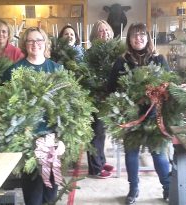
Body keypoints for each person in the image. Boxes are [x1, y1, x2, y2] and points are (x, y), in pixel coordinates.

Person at [107, 23, 171, 204]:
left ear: (148, 37)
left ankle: (167, 187)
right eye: (134, 35)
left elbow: (169, 85)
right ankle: (133, 188)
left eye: (142, 34)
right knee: (131, 153)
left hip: (154, 115)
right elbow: (111, 87)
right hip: (131, 116)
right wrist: (127, 99)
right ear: (129, 39)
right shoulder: (122, 61)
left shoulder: (159, 59)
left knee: (158, 153)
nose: (139, 38)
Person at [2, 27, 61, 205]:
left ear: (45, 43)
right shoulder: (14, 70)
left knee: (51, 188)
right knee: (33, 190)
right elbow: (4, 103)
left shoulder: (56, 69)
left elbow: (66, 104)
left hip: (52, 136)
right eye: (30, 41)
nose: (35, 44)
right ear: (24, 44)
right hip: (27, 137)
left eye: (39, 40)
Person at [85, 20, 116, 179]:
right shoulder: (90, 53)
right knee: (95, 132)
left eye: (106, 30)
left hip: (108, 98)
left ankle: (101, 161)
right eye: (100, 31)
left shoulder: (115, 52)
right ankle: (95, 168)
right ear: (95, 35)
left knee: (101, 132)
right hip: (94, 98)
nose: (104, 33)